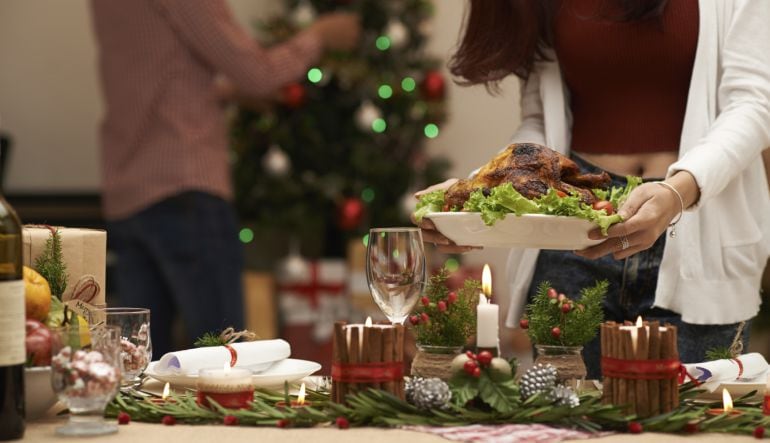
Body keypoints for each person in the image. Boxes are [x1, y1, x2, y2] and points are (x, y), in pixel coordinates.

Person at [416, 0, 770, 377]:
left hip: (700, 230)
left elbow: (754, 103)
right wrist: (477, 193)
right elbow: (541, 124)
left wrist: (677, 192)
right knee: (570, 428)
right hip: (573, 231)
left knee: (693, 426)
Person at [90, 0, 360, 356]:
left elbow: (156, 77)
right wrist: (320, 35)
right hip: (184, 188)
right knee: (223, 359)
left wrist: (225, 93)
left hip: (129, 191)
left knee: (141, 366)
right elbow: (258, 73)